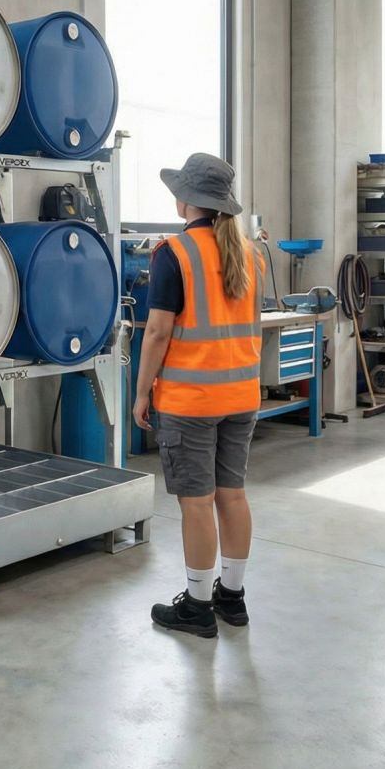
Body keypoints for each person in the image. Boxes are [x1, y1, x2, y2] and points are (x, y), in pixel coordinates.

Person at [131, 153, 266, 638]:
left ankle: (197, 605)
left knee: (196, 502)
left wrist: (142, 391)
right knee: (232, 495)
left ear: (184, 199)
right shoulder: (252, 253)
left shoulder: (174, 253)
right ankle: (233, 598)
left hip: (190, 402)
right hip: (242, 397)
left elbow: (157, 334)